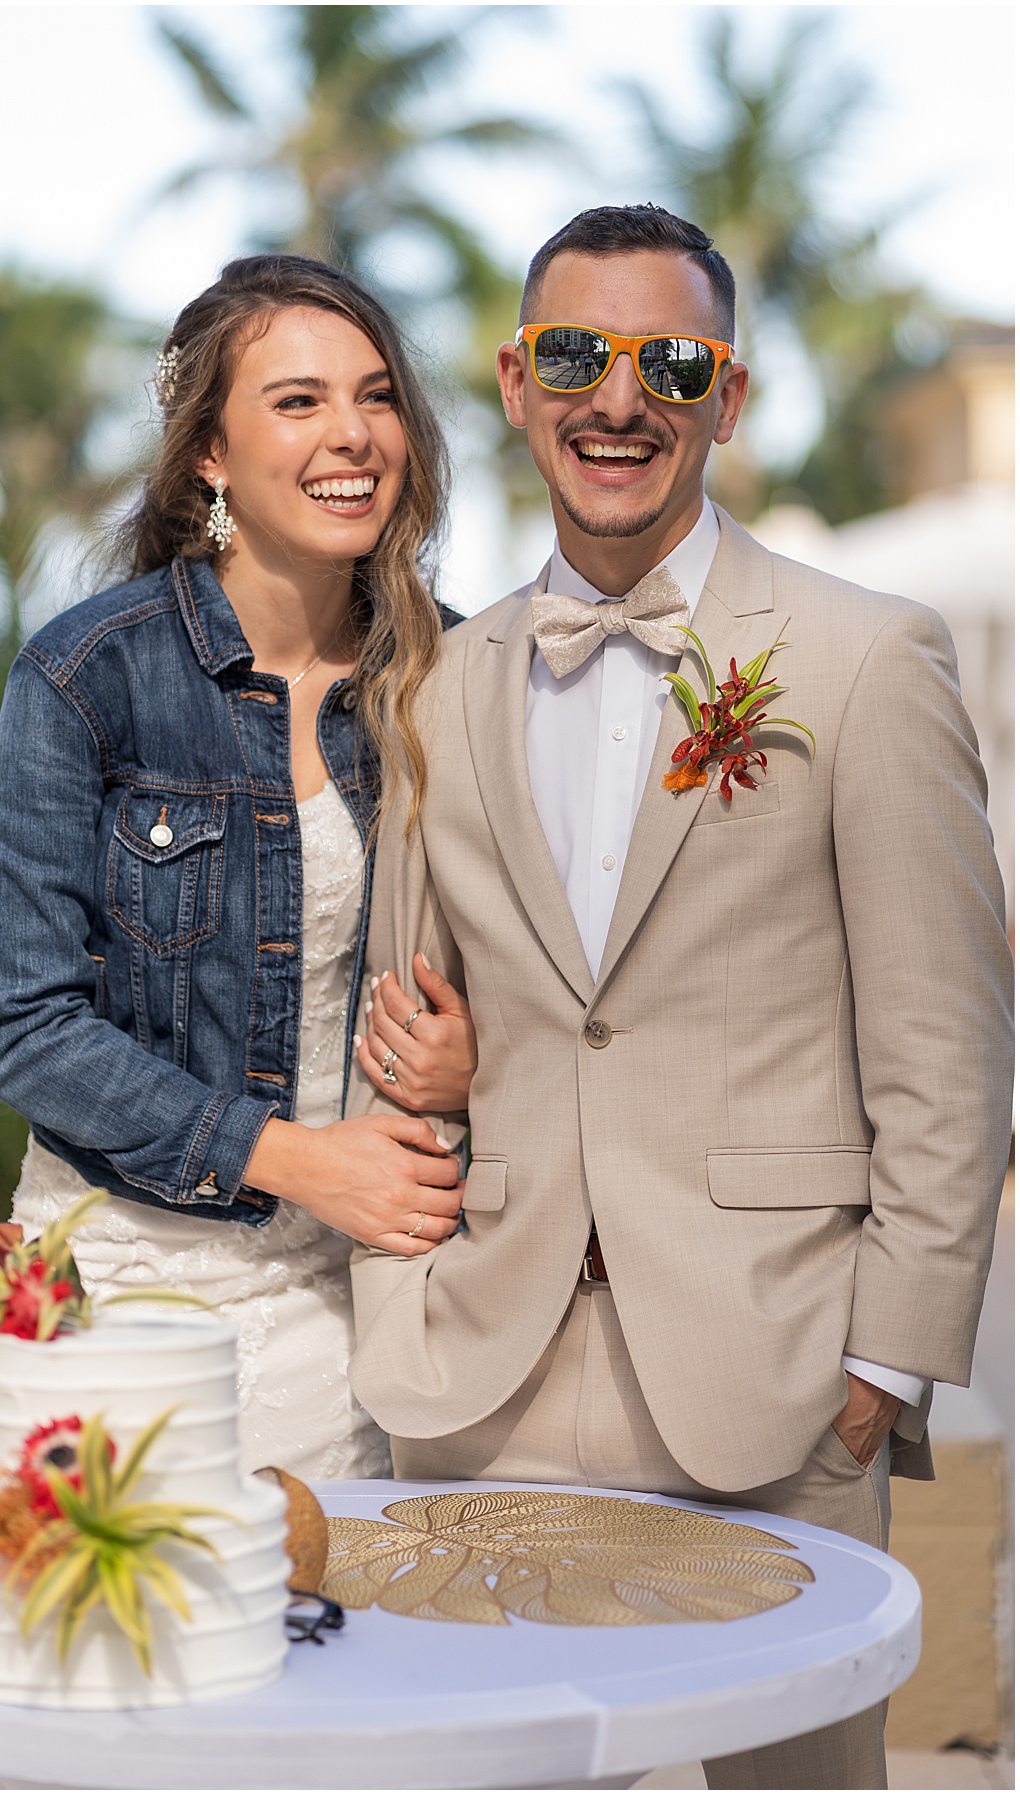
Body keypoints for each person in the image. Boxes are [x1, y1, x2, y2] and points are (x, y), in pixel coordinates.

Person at [348, 206, 1012, 1789]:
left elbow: (950, 1051)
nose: (619, 398)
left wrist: (885, 1368)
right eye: (576, 354)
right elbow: (406, 1017)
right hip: (480, 1386)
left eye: (672, 360)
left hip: (777, 1386)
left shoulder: (862, 657)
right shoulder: (433, 679)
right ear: (517, 382)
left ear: (731, 397)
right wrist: (409, 1285)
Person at [0, 253, 476, 1481]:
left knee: (332, 1645)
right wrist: (294, 1158)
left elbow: (551, 968)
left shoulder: (461, 672)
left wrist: (475, 1056)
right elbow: (24, 1026)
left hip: (372, 1291)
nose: (351, 434)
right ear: (209, 453)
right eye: (297, 402)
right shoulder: (90, 678)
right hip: (126, 1278)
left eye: (376, 395)